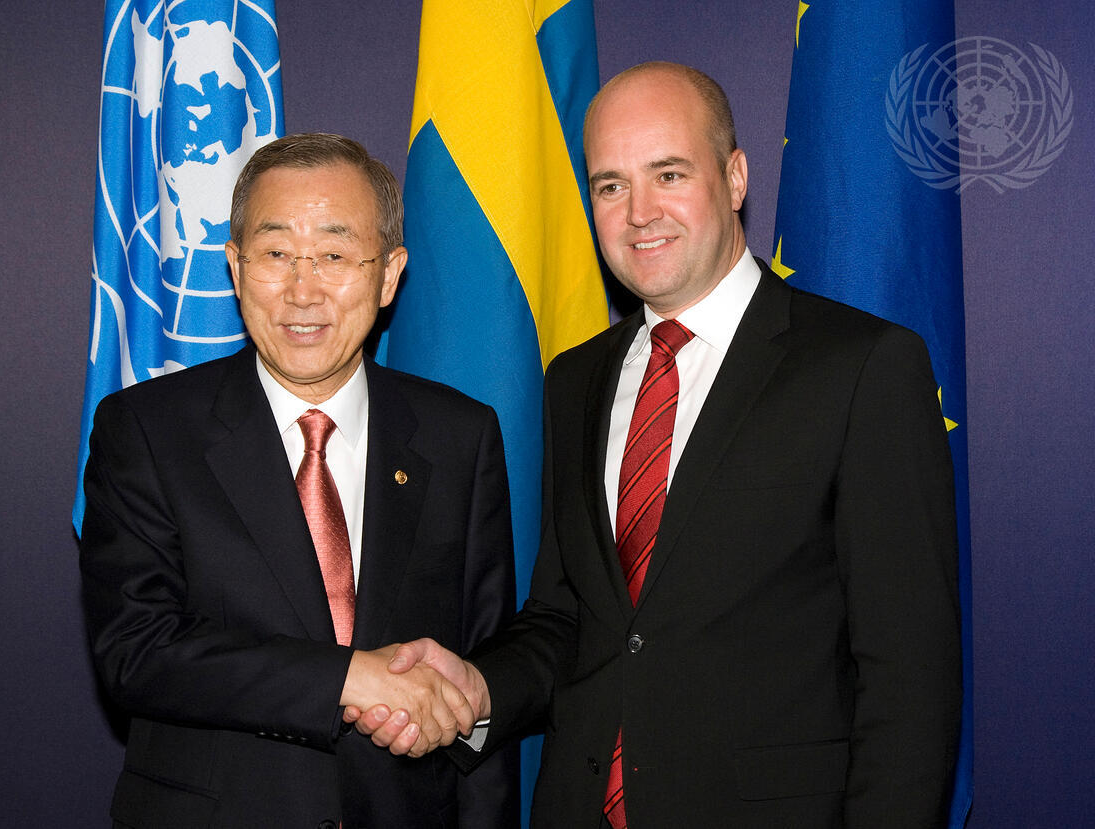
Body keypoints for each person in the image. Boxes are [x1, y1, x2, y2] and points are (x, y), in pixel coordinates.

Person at [352, 62, 962, 827]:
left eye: (668, 173)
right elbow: (570, 618)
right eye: (611, 185)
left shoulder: (862, 367)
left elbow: (910, 676)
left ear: (734, 178)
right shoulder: (575, 379)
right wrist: (478, 688)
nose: (640, 212)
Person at [80, 133, 518, 828]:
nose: (302, 290)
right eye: (275, 254)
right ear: (235, 267)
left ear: (389, 275)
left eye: (335, 256)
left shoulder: (459, 436)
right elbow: (137, 651)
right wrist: (347, 678)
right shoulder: (147, 430)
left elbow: (481, 675)